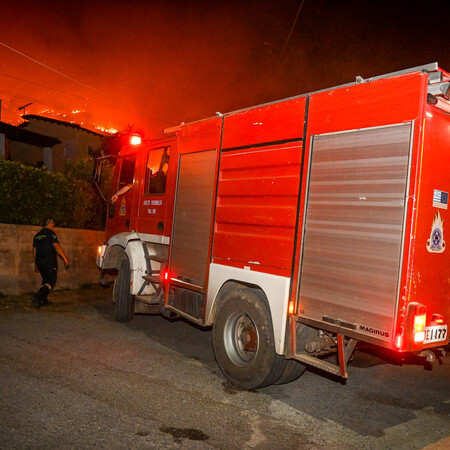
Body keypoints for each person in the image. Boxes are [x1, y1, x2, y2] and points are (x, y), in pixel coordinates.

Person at [32, 218, 69, 308]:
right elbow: (56, 246)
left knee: (45, 280)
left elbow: (34, 250)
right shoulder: (51, 233)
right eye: (52, 223)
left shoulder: (37, 235)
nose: (53, 225)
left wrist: (35, 263)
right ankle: (38, 296)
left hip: (40, 261)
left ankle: (43, 300)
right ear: (48, 223)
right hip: (49, 261)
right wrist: (64, 258)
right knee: (51, 281)